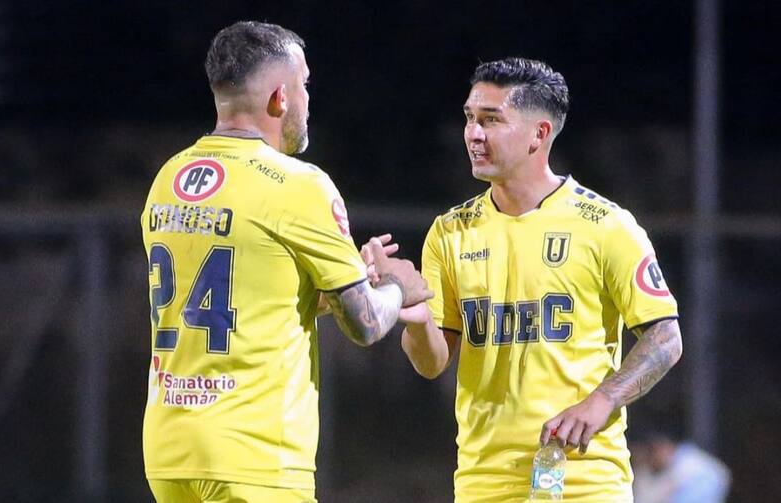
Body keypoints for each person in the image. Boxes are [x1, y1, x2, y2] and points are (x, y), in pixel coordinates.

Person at [140, 21, 431, 503]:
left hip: (169, 452)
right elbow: (365, 325)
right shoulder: (298, 185)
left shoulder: (169, 177)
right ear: (280, 98)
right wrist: (398, 285)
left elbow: (247, 298)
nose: (308, 100)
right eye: (305, 85)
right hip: (255, 458)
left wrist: (341, 282)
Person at [396, 57, 683, 501]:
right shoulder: (449, 232)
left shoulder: (606, 225)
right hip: (483, 482)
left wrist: (603, 400)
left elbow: (666, 337)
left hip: (584, 481)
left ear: (540, 133)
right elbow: (432, 362)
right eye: (470, 118)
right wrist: (416, 316)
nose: (473, 133)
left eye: (491, 120)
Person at [632, 432, 731, 503]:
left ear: (660, 448)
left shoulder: (688, 464)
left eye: (651, 457)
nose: (652, 463)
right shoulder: (680, 463)